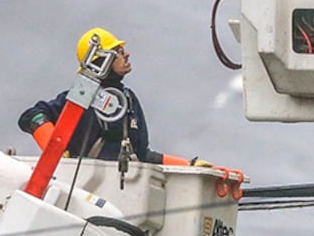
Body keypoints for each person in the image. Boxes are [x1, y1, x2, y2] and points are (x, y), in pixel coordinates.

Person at [19, 27, 191, 167]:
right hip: (87, 186)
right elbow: (32, 116)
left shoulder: (128, 99)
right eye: (119, 51)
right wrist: (55, 151)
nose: (127, 54)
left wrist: (190, 165)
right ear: (102, 60)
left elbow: (142, 155)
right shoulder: (82, 96)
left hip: (123, 187)